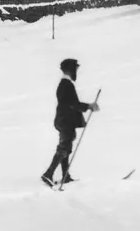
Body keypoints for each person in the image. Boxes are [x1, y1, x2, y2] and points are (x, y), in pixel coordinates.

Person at [42, 58, 99, 187]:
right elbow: (72, 104)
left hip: (65, 121)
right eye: (76, 69)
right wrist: (89, 106)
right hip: (65, 121)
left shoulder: (65, 84)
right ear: (71, 69)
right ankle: (48, 174)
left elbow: (71, 104)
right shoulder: (65, 85)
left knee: (66, 147)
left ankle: (65, 176)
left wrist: (87, 107)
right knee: (64, 148)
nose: (76, 72)